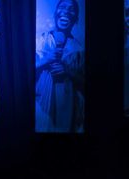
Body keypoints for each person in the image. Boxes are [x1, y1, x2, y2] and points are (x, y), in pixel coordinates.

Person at [35, 0, 85, 133]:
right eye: (62, 7)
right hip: (41, 106)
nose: (66, 11)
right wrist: (46, 59)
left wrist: (68, 72)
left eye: (71, 9)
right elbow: (24, 72)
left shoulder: (79, 49)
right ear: (55, 13)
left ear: (76, 19)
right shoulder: (40, 41)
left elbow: (85, 83)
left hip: (67, 110)